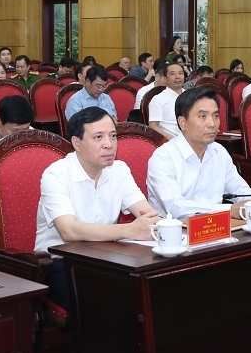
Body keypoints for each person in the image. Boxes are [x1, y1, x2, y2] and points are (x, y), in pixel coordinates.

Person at [35, 107, 162, 306]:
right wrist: (130, 230)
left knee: (155, 285)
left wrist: (158, 224)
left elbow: (148, 215)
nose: (109, 144)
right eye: (98, 137)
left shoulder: (119, 170)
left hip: (107, 258)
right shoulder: (56, 174)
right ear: (76, 143)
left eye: (113, 136)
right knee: (109, 298)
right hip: (59, 263)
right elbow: (69, 231)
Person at [147, 87, 251, 219]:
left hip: (217, 229)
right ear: (183, 123)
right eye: (202, 116)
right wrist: (229, 210)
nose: (212, 124)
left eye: (215, 116)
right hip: (176, 232)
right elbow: (176, 207)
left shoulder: (219, 152)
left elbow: (240, 191)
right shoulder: (163, 158)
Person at [148, 63, 186, 139]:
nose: (177, 77)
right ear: (165, 79)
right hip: (171, 141)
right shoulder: (158, 99)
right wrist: (173, 140)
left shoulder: (191, 96)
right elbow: (153, 126)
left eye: (180, 73)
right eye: (172, 74)